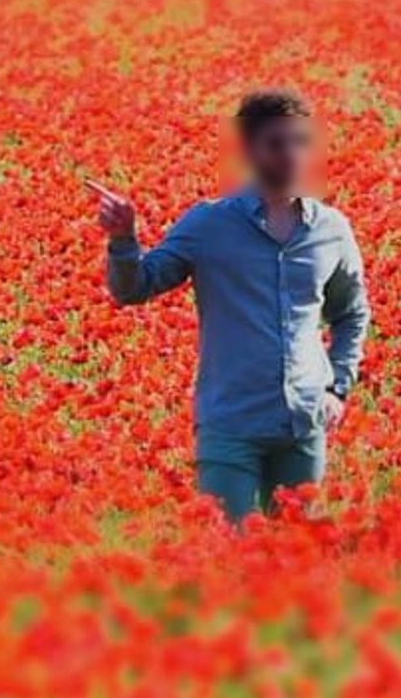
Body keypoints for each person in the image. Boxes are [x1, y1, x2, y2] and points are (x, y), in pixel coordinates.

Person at [87, 90, 372, 525]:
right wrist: (124, 239)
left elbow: (351, 314)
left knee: (297, 551)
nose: (292, 155)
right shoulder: (209, 224)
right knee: (227, 552)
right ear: (249, 150)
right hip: (231, 424)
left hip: (304, 423)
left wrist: (337, 388)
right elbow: (135, 288)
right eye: (278, 144)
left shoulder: (331, 230)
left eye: (300, 142)